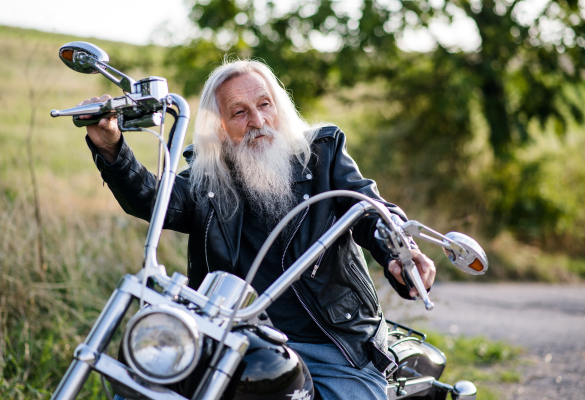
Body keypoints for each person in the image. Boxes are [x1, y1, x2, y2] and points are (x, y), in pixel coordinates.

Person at [79, 59, 436, 400]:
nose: (258, 120)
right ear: (220, 126)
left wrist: (399, 255)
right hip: (235, 339)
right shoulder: (207, 180)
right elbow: (155, 200)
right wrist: (112, 149)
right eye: (239, 112)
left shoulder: (322, 155)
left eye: (265, 104)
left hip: (331, 344)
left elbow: (370, 210)